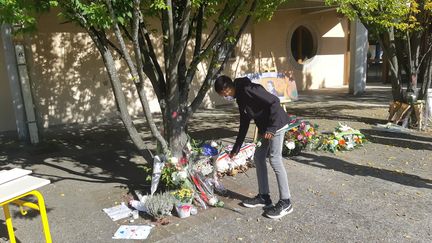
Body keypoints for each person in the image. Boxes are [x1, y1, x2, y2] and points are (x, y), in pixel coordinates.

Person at [214, 75, 293, 219]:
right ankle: (264, 196)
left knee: (275, 160)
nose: (224, 97)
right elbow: (244, 124)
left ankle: (286, 202)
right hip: (265, 129)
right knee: (258, 157)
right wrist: (236, 149)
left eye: (222, 95)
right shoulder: (240, 98)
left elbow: (274, 101)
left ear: (226, 90)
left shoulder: (248, 89)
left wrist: (271, 128)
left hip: (277, 125)